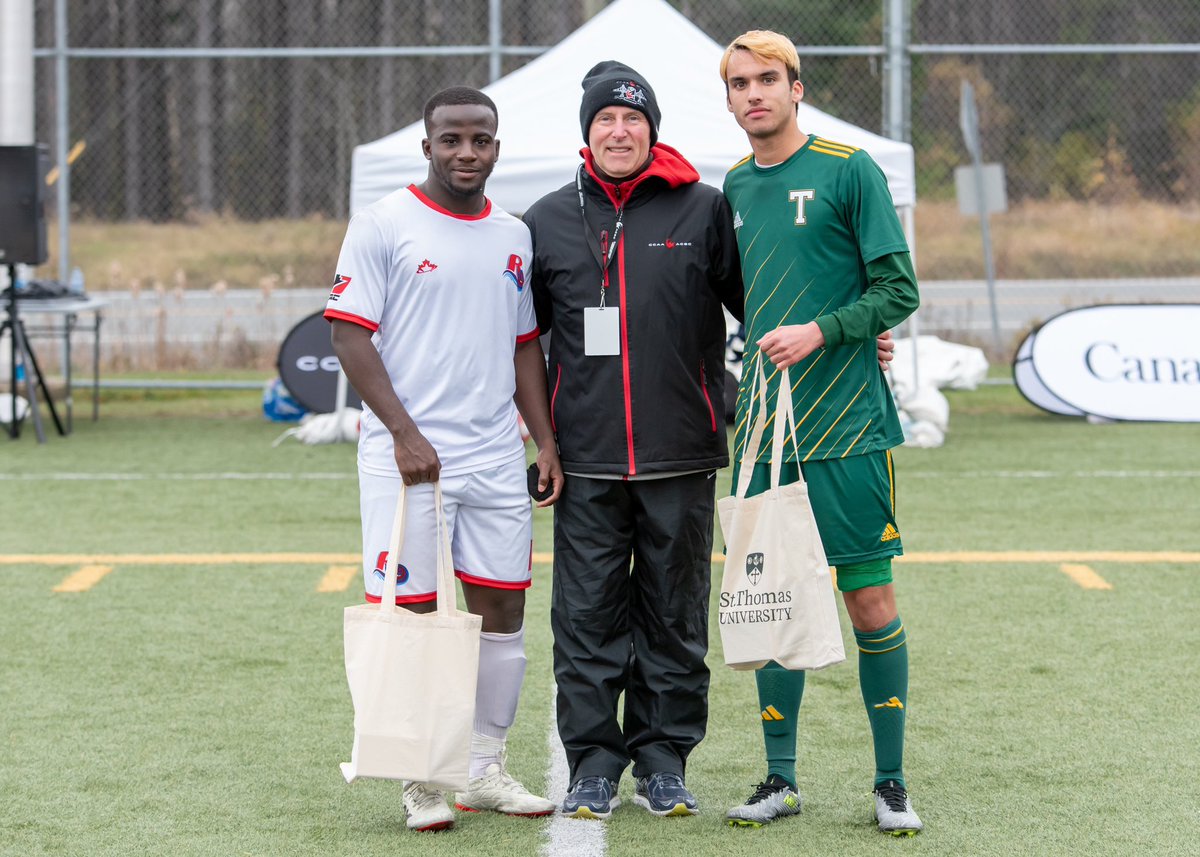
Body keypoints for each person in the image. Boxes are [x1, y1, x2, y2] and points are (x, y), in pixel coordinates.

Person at [326, 86, 563, 833]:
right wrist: (402, 432)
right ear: (426, 146)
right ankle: (420, 776)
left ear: (497, 147)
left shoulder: (514, 235)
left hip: (494, 457)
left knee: (503, 609)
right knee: (416, 616)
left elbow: (523, 345)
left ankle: (483, 768)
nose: (467, 152)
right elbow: (349, 335)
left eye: (480, 140)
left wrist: (545, 438)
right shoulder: (383, 223)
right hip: (408, 463)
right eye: (452, 139)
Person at [524, 61, 745, 820]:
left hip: (680, 453)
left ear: (652, 130)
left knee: (674, 616)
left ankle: (662, 760)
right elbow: (521, 340)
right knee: (585, 617)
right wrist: (543, 440)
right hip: (584, 460)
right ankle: (592, 763)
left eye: (633, 119)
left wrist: (849, 332)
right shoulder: (548, 218)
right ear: (587, 133)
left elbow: (764, 303)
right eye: (605, 121)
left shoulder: (703, 208)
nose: (619, 132)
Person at [718, 31, 924, 836]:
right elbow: (750, 294)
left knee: (868, 600)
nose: (754, 93)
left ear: (796, 88)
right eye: (740, 83)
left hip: (848, 427)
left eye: (768, 79)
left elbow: (897, 288)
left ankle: (891, 783)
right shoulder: (735, 184)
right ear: (730, 98)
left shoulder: (849, 168)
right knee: (770, 602)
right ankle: (781, 778)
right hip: (765, 434)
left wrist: (829, 331)